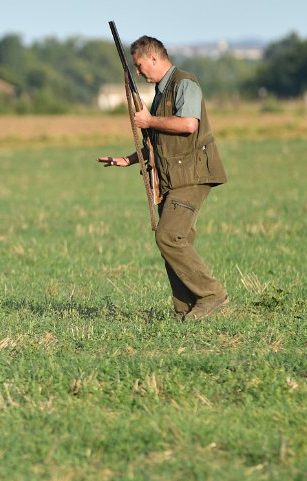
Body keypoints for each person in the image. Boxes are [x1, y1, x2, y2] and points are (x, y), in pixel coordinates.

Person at [97, 35, 229, 321]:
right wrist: (128, 159)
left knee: (168, 236)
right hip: (174, 177)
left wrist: (149, 121)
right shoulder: (161, 91)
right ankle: (187, 309)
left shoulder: (184, 83)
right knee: (177, 239)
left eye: (140, 65)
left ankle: (211, 295)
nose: (138, 72)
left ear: (154, 58)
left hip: (192, 176)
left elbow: (188, 124)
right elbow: (158, 142)